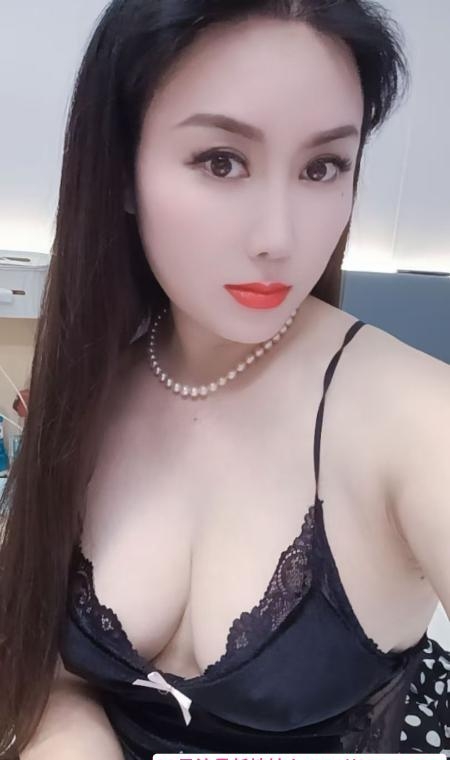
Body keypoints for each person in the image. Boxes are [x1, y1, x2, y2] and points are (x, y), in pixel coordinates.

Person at [0, 1, 449, 757]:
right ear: (122, 170)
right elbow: (45, 659)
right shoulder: (91, 386)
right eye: (221, 161)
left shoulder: (417, 421)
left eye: (322, 167)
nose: (278, 237)